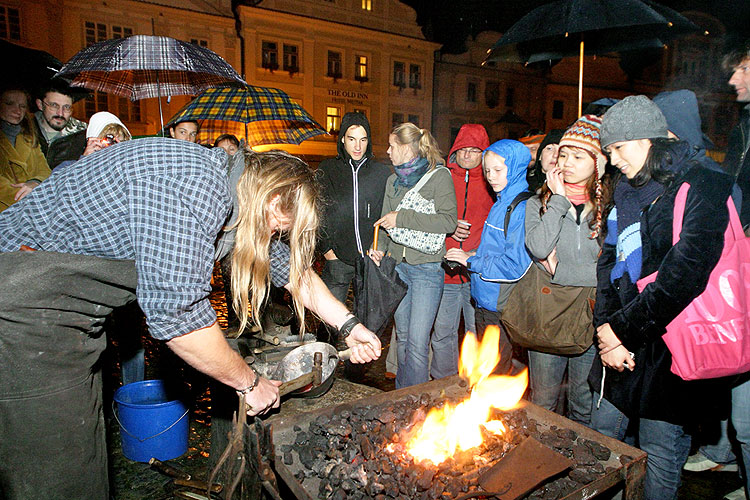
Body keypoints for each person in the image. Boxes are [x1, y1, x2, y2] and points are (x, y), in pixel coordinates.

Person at [0, 139, 381, 499]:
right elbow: (178, 319)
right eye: (280, 227)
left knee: (84, 449)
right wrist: (250, 384)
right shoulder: (196, 186)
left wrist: (350, 327)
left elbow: (294, 274)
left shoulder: (233, 194)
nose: (277, 236)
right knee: (58, 472)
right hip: (25, 302)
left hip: (67, 312)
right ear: (272, 197)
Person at [589, 95, 734, 500]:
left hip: (670, 349)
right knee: (601, 443)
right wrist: (605, 330)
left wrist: (620, 332)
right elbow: (608, 265)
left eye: (617, 148)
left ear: (645, 139)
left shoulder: (702, 183)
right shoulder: (626, 191)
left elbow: (685, 274)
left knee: (659, 454)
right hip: (619, 344)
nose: (612, 160)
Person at [524, 115, 607, 425]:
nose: (567, 162)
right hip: (549, 314)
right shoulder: (539, 203)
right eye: (563, 154)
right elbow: (540, 249)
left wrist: (562, 272)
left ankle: (580, 467)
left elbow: (608, 270)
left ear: (597, 162)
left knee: (582, 402)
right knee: (543, 401)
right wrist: (558, 200)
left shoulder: (607, 207)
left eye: (578, 155)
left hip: (589, 315)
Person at [369, 122, 457, 389]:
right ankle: (401, 398)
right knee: (404, 338)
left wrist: (403, 218)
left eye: (392, 146)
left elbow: (448, 222)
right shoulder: (392, 180)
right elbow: (386, 222)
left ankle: (415, 406)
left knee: (418, 342)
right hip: (398, 269)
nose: (388, 151)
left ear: (407, 148)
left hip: (427, 270)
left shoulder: (439, 177)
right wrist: (381, 249)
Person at [445, 139, 532, 375]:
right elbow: (494, 250)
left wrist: (470, 260)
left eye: (498, 170)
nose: (491, 177)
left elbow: (515, 266)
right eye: (487, 171)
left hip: (500, 304)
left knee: (496, 371)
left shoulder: (520, 208)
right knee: (487, 368)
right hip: (484, 299)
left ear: (514, 169)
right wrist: (471, 253)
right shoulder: (500, 202)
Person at [316, 112, 391, 341]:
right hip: (337, 258)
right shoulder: (328, 169)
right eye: (351, 139)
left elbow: (385, 213)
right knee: (328, 319)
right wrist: (326, 249)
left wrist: (380, 247)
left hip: (369, 259)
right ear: (342, 139)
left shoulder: (380, 173)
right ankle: (322, 368)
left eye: (363, 139)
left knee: (366, 322)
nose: (357, 146)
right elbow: (317, 211)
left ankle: (356, 372)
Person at [432, 123, 492, 379]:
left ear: (484, 154)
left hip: (477, 273)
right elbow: (428, 217)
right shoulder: (442, 178)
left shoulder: (493, 182)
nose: (467, 155)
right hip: (445, 271)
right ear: (454, 151)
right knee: (443, 330)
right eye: (462, 149)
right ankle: (442, 382)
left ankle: (474, 382)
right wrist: (448, 229)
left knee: (475, 332)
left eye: (474, 150)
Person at [0, 86, 51, 213]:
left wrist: (35, 183)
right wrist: (29, 197)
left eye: (22, 106)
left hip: (32, 211)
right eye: (10, 103)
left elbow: (45, 171)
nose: (17, 110)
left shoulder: (30, 138)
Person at [33, 82, 87, 168]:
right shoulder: (24, 129)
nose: (60, 113)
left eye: (67, 107)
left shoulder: (84, 135)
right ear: (40, 105)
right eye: (54, 105)